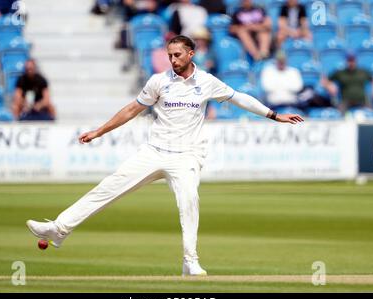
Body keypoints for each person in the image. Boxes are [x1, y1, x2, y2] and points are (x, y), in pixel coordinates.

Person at [26, 35, 303, 276]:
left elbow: (239, 97)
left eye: (177, 54)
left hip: (187, 156)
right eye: (169, 55)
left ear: (191, 54)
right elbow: (131, 110)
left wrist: (274, 115)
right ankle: (58, 230)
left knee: (189, 200)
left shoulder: (206, 81)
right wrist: (99, 131)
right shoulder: (159, 81)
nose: (172, 59)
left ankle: (190, 262)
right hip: (154, 151)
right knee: (108, 187)